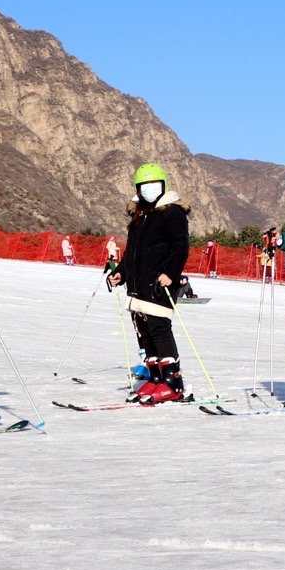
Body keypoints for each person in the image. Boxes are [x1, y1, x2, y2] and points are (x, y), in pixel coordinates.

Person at [108, 163, 191, 404]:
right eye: (144, 187)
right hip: (137, 285)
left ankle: (172, 383)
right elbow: (132, 252)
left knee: (159, 329)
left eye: (153, 186)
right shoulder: (140, 216)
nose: (149, 191)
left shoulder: (172, 213)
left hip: (158, 283)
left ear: (163, 186)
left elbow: (180, 247)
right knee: (143, 332)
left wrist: (170, 273)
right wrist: (121, 273)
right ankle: (155, 379)